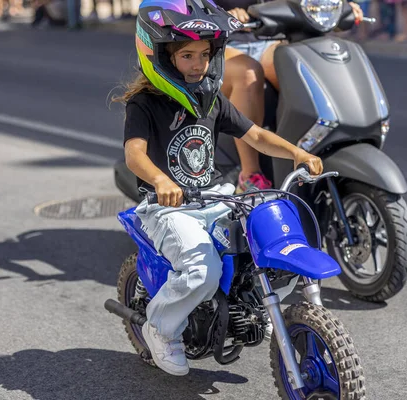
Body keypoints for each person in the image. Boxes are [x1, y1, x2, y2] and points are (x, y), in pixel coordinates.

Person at [117, 0, 323, 376]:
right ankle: (161, 329)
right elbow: (134, 155)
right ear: (162, 56)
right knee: (201, 270)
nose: (198, 64)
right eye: (187, 56)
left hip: (212, 198)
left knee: (267, 234)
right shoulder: (144, 104)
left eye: (205, 55)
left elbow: (256, 134)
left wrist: (297, 153)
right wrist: (162, 180)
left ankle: (243, 307)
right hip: (166, 208)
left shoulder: (211, 100)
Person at [215, 0, 363, 192]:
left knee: (303, 64)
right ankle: (250, 175)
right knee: (248, 74)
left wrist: (337, 7)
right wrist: (220, 14)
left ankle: (312, 146)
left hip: (271, 40)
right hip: (223, 43)